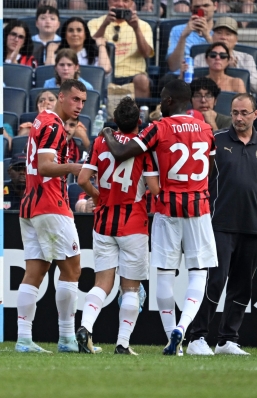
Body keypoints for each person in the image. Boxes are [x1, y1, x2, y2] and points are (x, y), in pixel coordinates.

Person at [100, 79, 217, 356]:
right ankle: (183, 327)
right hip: (198, 208)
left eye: (162, 98)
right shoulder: (206, 129)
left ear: (167, 101)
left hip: (167, 209)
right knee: (198, 274)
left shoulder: (158, 128)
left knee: (164, 276)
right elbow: (210, 171)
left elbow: (119, 151)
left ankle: (170, 339)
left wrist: (107, 132)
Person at [186, 94, 257, 356]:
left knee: (243, 285)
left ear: (256, 114)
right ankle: (197, 337)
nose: (239, 118)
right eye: (234, 113)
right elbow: (198, 179)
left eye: (244, 113)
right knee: (215, 281)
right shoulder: (216, 141)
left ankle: (227, 339)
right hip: (218, 225)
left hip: (253, 228)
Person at [75, 97, 160, 355]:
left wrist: (99, 197)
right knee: (131, 287)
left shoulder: (101, 142)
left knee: (102, 283)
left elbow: (81, 179)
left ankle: (86, 327)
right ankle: (122, 343)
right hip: (133, 223)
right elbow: (154, 189)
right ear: (139, 122)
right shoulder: (142, 148)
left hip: (103, 221)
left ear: (114, 119)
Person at [15, 79, 87, 354]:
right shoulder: (54, 126)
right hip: (50, 204)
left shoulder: (41, 121)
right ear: (61, 97)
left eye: (82, 101)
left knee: (35, 271)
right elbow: (45, 167)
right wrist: (75, 166)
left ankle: (24, 339)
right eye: (75, 99)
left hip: (30, 205)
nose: (79, 105)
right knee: (72, 270)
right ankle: (67, 338)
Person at [88, 0, 154, 98]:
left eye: (126, 1)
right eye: (115, 0)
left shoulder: (143, 26)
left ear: (132, 4)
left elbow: (146, 53)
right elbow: (89, 48)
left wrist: (136, 29)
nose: (120, 4)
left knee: (142, 80)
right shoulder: (94, 23)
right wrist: (105, 24)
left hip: (132, 76)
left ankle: (139, 113)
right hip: (104, 74)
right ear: (108, 2)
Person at [193, 17, 257, 93]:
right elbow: (192, 84)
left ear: (236, 39)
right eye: (219, 33)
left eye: (228, 34)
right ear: (213, 36)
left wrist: (234, 70)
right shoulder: (199, 57)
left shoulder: (247, 58)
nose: (223, 37)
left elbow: (256, 87)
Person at [45, 17, 112, 75]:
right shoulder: (58, 55)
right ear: (65, 35)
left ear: (85, 35)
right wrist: (50, 50)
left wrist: (101, 46)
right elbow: (48, 73)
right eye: (70, 30)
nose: (75, 34)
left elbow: (105, 70)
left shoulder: (94, 55)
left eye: (79, 30)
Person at [166, 0, 216, 76]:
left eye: (206, 6)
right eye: (197, 7)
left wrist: (207, 36)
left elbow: (223, 59)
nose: (201, 9)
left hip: (209, 77)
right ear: (190, 8)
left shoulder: (220, 32)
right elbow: (173, 66)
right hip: (181, 77)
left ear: (215, 6)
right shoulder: (177, 30)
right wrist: (183, 36)